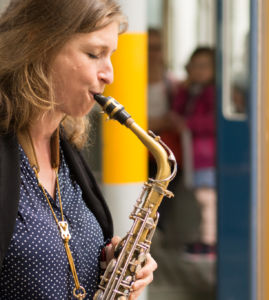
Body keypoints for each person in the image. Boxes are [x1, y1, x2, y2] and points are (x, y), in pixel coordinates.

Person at [0, 0, 157, 299]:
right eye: (93, 54)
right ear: (37, 44)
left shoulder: (66, 150)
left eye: (110, 56)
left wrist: (115, 267)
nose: (109, 74)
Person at [170, 47, 217, 258]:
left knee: (207, 200)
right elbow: (177, 110)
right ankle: (202, 238)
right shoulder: (190, 91)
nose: (198, 71)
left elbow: (213, 121)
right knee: (199, 201)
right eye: (194, 66)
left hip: (207, 157)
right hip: (193, 156)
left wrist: (187, 124)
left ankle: (209, 242)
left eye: (204, 66)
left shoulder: (213, 93)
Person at [147, 28, 180, 232]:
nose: (153, 54)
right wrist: (158, 122)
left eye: (157, 48)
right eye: (149, 48)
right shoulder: (127, 82)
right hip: (139, 155)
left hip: (165, 155)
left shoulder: (172, 83)